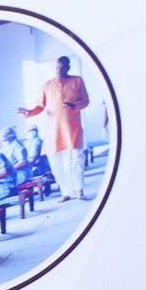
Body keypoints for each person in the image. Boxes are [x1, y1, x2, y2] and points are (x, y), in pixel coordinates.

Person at [20, 55, 90, 200]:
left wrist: (74, 105)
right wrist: (29, 112)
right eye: (57, 67)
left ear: (68, 68)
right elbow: (40, 106)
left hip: (72, 129)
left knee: (76, 160)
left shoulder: (77, 81)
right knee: (56, 162)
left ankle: (79, 190)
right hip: (53, 131)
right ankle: (66, 192)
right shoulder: (47, 85)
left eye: (62, 67)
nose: (59, 70)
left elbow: (85, 101)